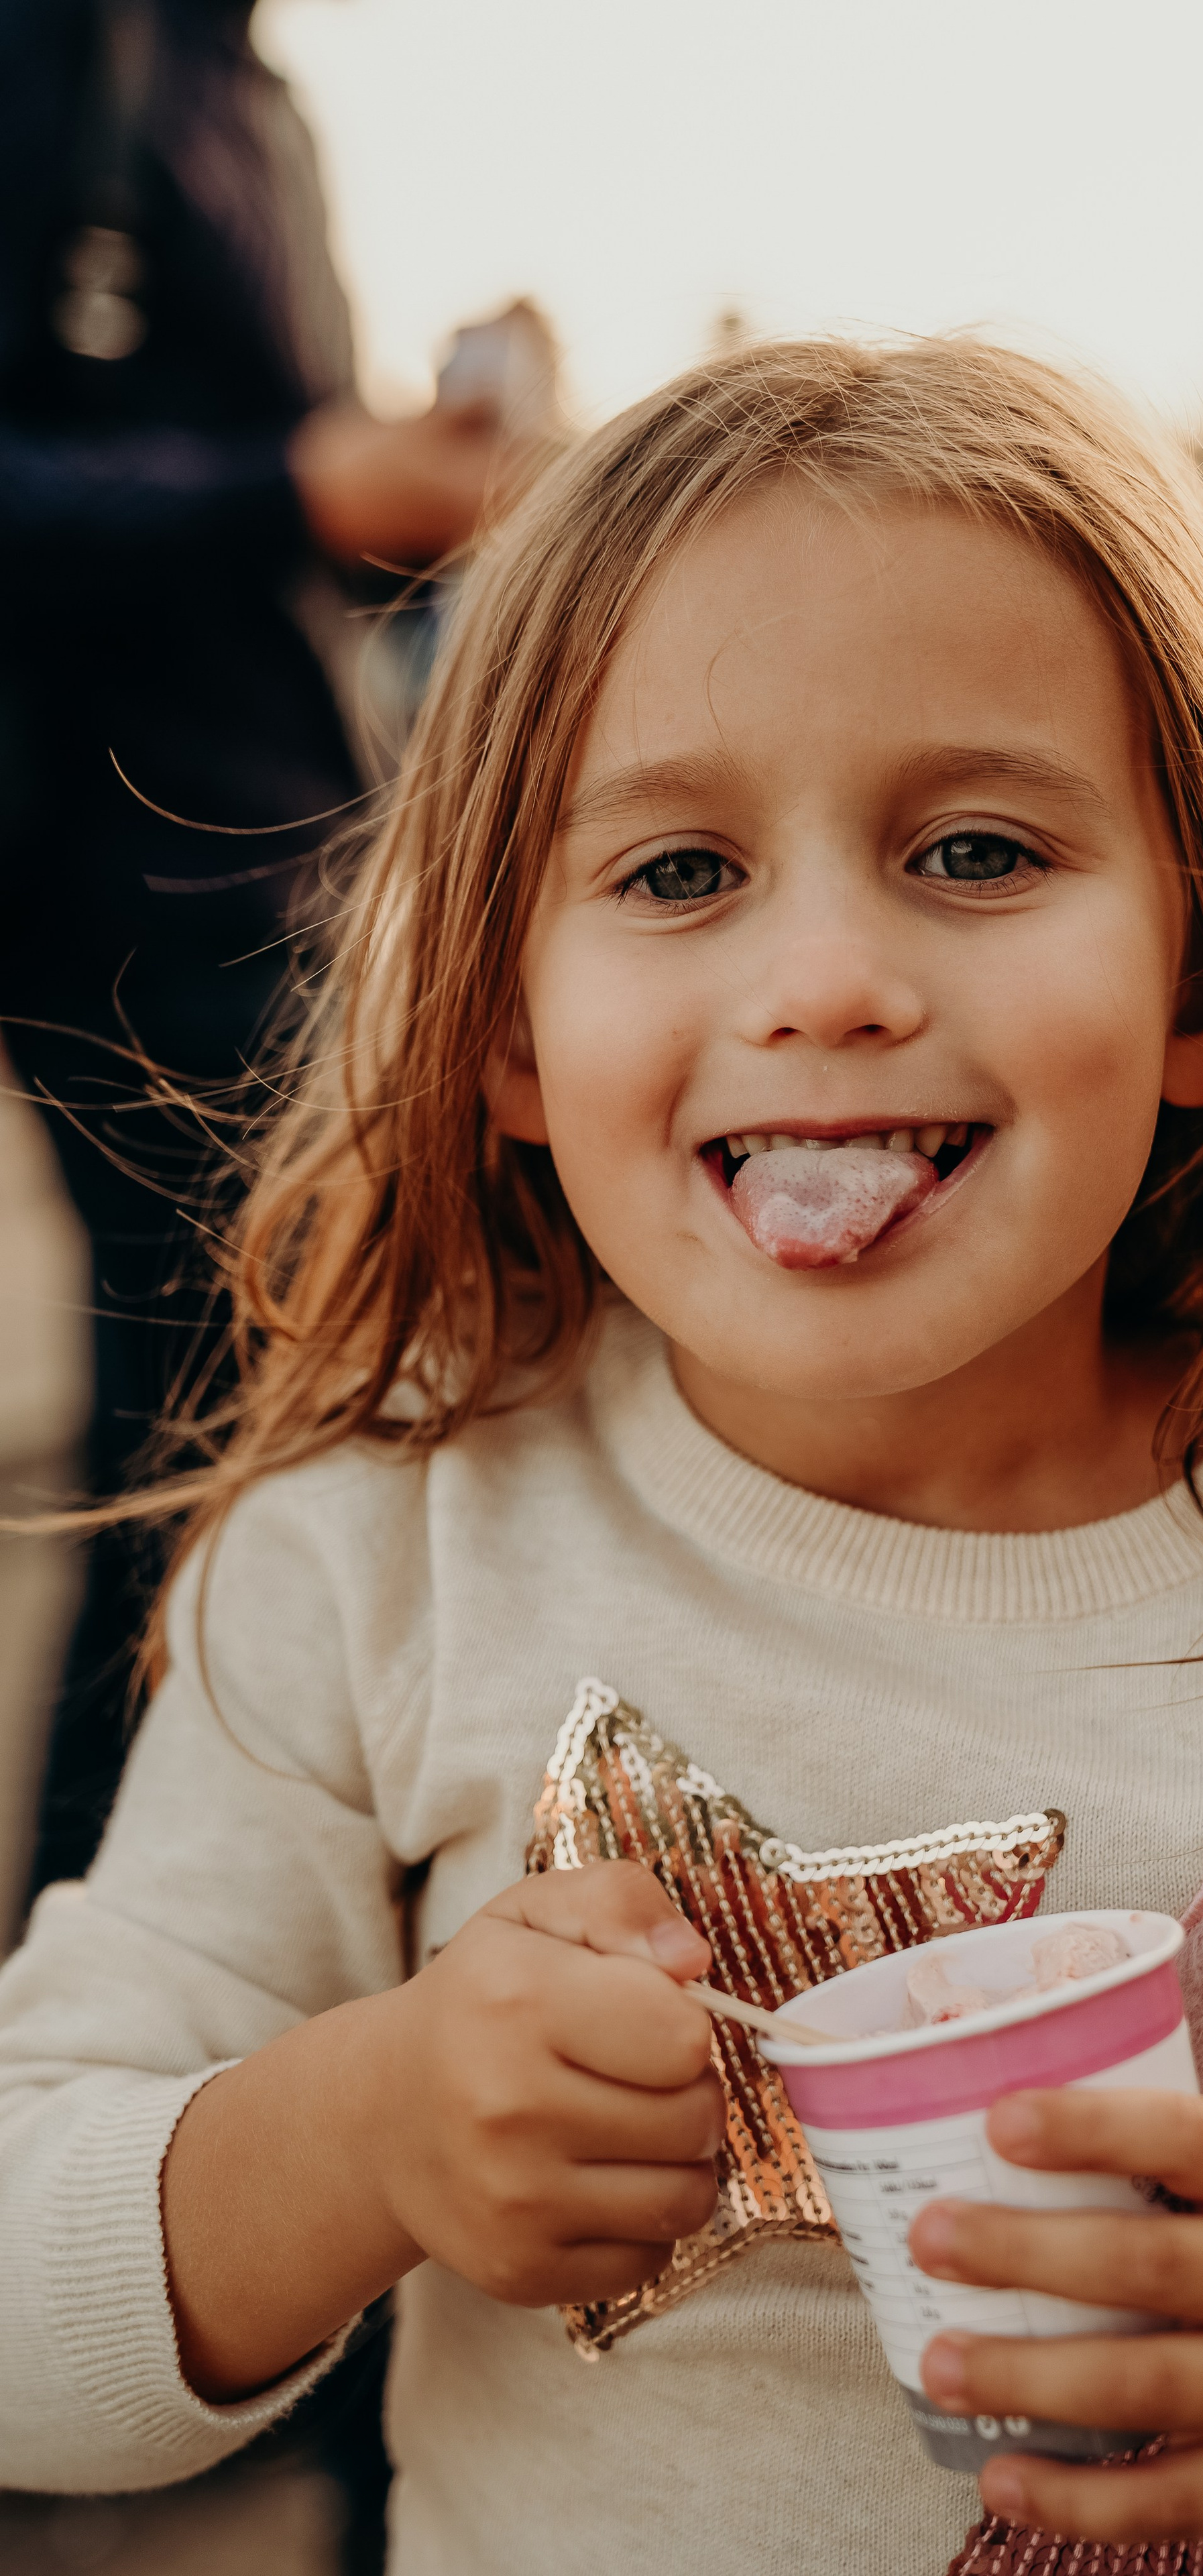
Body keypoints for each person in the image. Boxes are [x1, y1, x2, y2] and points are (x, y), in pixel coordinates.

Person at [0, 337, 1203, 2576]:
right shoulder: (371, 1567)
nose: (826, 979)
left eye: (977, 849)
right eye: (684, 867)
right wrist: (361, 2131)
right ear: (508, 1030)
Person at [0, 0, 500, 1897]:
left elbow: (287, 493)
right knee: (211, 1447)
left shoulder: (245, 79)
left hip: (268, 855)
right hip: (118, 877)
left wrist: (395, 492)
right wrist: (295, 487)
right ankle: (108, 1986)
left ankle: (142, 1958)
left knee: (247, 1430)